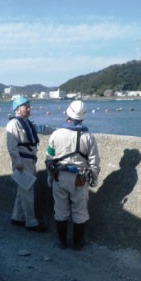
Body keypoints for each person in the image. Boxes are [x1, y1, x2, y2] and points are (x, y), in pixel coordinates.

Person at [46, 100, 100, 250]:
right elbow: (94, 162)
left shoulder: (56, 134)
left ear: (68, 114)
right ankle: (77, 244)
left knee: (60, 210)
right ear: (83, 117)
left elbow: (49, 158)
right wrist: (94, 179)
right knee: (80, 211)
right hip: (80, 179)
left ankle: (62, 242)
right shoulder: (89, 137)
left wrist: (50, 177)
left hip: (59, 176)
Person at [6, 96, 46, 232]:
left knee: (22, 191)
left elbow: (41, 129)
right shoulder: (13, 124)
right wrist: (17, 163)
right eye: (25, 106)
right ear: (17, 109)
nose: (29, 108)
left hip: (30, 160)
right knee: (27, 192)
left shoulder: (27, 123)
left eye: (29, 106)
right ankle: (31, 222)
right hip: (22, 162)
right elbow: (11, 146)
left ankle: (17, 217)